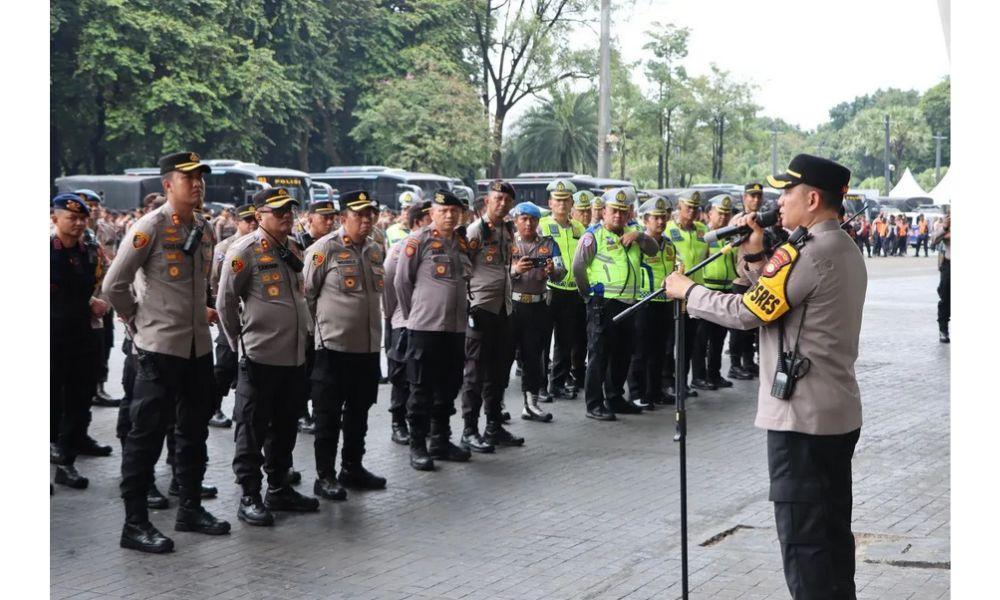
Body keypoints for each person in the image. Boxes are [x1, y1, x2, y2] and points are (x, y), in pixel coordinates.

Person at [664, 153, 866, 599]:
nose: (778, 201)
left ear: (812, 199)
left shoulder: (810, 252)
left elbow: (748, 311)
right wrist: (756, 254)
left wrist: (688, 292)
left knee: (805, 547)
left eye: (786, 192)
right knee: (831, 541)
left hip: (801, 422)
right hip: (835, 415)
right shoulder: (842, 246)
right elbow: (779, 302)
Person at [103, 152, 230, 553]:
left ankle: (189, 507)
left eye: (200, 178)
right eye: (187, 178)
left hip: (196, 348)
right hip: (159, 348)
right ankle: (134, 523)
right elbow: (113, 285)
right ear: (167, 185)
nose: (197, 184)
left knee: (193, 431)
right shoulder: (149, 227)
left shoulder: (204, 227)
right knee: (146, 435)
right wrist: (137, 320)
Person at [216, 187, 319, 525]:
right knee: (252, 428)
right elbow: (225, 304)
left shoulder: (292, 248)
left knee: (286, 425)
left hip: (293, 357)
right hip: (259, 357)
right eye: (278, 211)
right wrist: (240, 346)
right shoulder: (243, 251)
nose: (287, 215)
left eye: (289, 209)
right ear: (259, 216)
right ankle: (249, 494)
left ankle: (279, 487)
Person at [302, 190, 389, 500]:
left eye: (370, 215)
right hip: (332, 349)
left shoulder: (376, 250)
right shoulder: (323, 250)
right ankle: (324, 475)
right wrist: (317, 336)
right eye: (358, 215)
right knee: (328, 415)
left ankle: (352, 467)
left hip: (366, 349)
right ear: (343, 219)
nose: (366, 221)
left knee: (359, 412)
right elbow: (306, 296)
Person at [393, 189, 474, 471]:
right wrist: (413, 314)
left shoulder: (462, 243)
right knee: (421, 388)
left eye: (455, 211)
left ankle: (440, 439)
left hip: (455, 328)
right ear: (432, 214)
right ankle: (418, 445)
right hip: (424, 328)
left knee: (449, 385)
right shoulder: (418, 241)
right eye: (444, 211)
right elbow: (402, 282)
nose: (450, 215)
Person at [573, 187, 659, 421]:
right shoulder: (593, 236)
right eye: (614, 211)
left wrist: (640, 236)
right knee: (599, 354)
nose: (618, 216)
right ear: (603, 212)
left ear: (629, 212)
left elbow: (654, 250)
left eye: (623, 211)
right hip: (603, 303)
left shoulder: (634, 233)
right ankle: (594, 404)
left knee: (623, 353)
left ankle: (614, 397)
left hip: (629, 304)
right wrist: (587, 295)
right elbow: (578, 267)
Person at [50, 193, 109, 490]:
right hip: (49, 336)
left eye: (81, 218)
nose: (77, 223)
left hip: (80, 336)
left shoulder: (89, 251)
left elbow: (88, 287)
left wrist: (92, 302)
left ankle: (67, 461)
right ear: (54, 218)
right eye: (71, 217)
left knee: (78, 398)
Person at [459, 180, 523, 453]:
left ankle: (494, 426)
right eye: (497, 199)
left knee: (498, 372)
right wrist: (468, 305)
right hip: (481, 308)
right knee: (475, 373)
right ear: (487, 201)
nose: (502, 204)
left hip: (504, 309)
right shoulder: (476, 230)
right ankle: (469, 430)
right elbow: (463, 268)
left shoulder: (507, 230)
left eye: (507, 200)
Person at [509, 201, 566, 422]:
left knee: (535, 356)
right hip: (512, 305)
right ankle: (497, 406)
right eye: (523, 219)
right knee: (504, 356)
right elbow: (493, 274)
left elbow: (561, 272)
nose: (528, 223)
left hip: (537, 305)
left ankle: (531, 404)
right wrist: (515, 271)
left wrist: (553, 270)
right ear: (516, 221)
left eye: (533, 219)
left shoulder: (549, 244)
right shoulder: (507, 244)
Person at [383, 201, 433, 446]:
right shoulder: (402, 248)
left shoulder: (437, 246)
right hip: (405, 321)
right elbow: (391, 285)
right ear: (418, 222)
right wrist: (404, 314)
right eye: (430, 218)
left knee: (424, 378)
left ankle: (425, 424)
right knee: (402, 376)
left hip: (430, 324)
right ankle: (398, 422)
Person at [208, 203, 258, 429]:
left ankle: (244, 409)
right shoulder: (224, 247)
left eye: (255, 220)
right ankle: (213, 406)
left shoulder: (261, 245)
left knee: (250, 365)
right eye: (248, 220)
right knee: (226, 361)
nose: (253, 224)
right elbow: (215, 282)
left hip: (254, 313)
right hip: (230, 309)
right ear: (237, 222)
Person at [625, 196, 677, 409]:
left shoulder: (669, 245)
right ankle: (636, 393)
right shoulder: (638, 243)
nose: (660, 222)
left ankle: (654, 391)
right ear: (646, 220)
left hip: (664, 303)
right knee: (640, 351)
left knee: (660, 350)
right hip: (643, 302)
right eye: (655, 218)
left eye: (663, 217)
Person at [539, 180, 587, 401]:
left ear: (571, 203)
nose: (561, 204)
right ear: (550, 202)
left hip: (572, 291)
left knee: (565, 341)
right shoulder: (542, 225)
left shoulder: (579, 228)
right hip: (549, 289)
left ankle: (557, 383)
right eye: (557, 200)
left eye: (565, 200)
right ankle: (539, 386)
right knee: (542, 340)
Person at [664, 191, 709, 399]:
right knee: (671, 341)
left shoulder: (702, 231)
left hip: (694, 293)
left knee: (689, 341)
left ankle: (682, 382)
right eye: (688, 207)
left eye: (695, 208)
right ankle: (668, 382)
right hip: (674, 294)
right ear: (679, 207)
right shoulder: (668, 229)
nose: (692, 212)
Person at [691, 195, 738, 391]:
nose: (723, 217)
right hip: (707, 288)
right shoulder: (704, 235)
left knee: (719, 337)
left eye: (727, 213)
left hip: (726, 289)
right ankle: (698, 376)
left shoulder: (730, 236)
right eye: (720, 213)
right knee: (702, 338)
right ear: (709, 213)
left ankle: (714, 373)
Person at [728, 183, 764, 381]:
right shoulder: (738, 220)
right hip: (741, 279)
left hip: (756, 280)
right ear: (744, 198)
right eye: (752, 196)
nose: (756, 200)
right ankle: (735, 364)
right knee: (738, 325)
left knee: (753, 325)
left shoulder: (761, 220)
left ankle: (748, 362)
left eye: (759, 196)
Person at [931, 213, 950, 343]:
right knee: (946, 298)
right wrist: (944, 228)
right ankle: (943, 329)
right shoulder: (947, 224)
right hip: (949, 265)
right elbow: (933, 241)